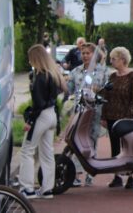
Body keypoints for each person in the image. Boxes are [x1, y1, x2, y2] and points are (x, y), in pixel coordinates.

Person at [19, 45, 67, 199]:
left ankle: (28, 189)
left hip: (41, 116)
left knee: (27, 150)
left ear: (35, 58)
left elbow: (38, 103)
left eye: (30, 57)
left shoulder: (39, 76)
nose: (29, 60)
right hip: (52, 114)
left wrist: (30, 121)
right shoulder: (53, 75)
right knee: (47, 153)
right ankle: (47, 189)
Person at [67, 42, 108, 187]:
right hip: (79, 111)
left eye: (87, 53)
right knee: (75, 140)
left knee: (92, 140)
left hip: (95, 112)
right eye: (82, 53)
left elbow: (107, 91)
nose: (84, 56)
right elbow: (69, 90)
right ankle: (76, 173)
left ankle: (91, 172)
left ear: (94, 55)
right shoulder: (76, 71)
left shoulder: (103, 71)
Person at [102, 47, 133, 189]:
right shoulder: (112, 76)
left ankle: (131, 177)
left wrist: (130, 117)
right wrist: (103, 116)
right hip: (112, 117)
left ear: (123, 60)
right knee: (115, 148)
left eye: (114, 59)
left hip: (126, 118)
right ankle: (117, 176)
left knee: (128, 147)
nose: (111, 61)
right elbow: (106, 96)